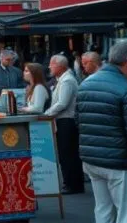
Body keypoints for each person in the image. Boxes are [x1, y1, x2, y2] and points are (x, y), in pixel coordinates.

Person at [77, 40, 127, 223]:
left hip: (91, 156)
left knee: (103, 209)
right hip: (118, 159)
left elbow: (78, 120)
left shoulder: (86, 84)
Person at [45, 55, 83, 194]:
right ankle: (73, 183)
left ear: (60, 66)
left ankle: (72, 184)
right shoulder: (63, 79)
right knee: (68, 153)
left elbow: (62, 103)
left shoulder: (67, 80)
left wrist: (46, 114)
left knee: (67, 153)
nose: (49, 67)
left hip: (67, 121)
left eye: (52, 64)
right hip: (65, 120)